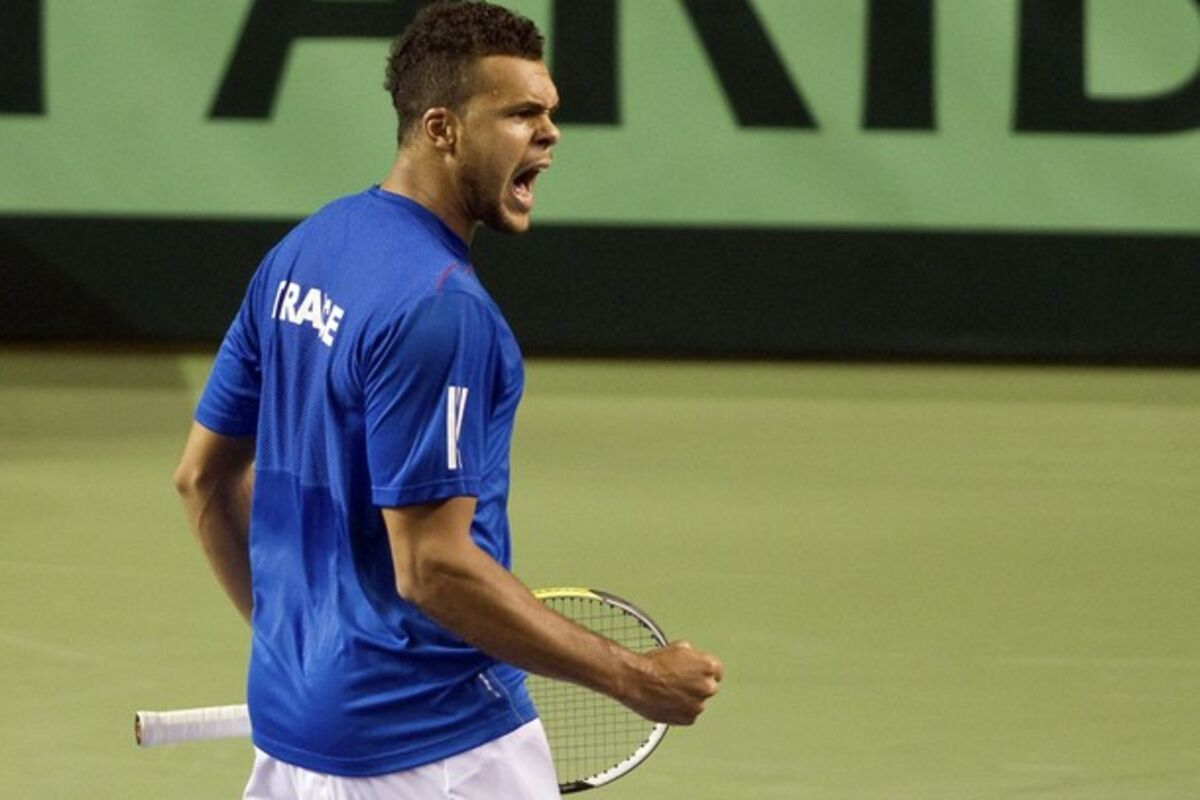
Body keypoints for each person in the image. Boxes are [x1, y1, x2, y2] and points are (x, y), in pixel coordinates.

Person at [172, 1, 723, 797]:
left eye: (550, 112)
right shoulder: (441, 310)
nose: (550, 133)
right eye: (521, 114)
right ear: (442, 129)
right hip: (434, 751)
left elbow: (201, 478)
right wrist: (634, 678)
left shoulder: (304, 251)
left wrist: (310, 657)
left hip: (298, 735)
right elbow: (432, 566)